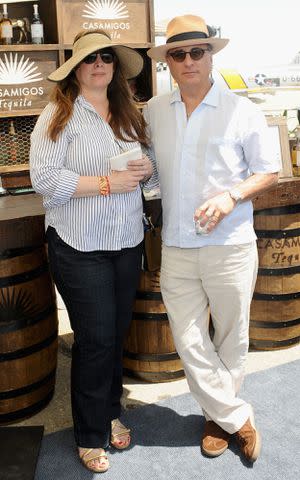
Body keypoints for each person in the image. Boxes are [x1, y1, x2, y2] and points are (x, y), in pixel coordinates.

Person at [144, 15, 279, 463]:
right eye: (177, 54)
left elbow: (269, 171)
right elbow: (154, 172)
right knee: (187, 339)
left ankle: (215, 418)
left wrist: (231, 196)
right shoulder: (153, 111)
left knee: (232, 337)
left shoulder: (244, 110)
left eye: (196, 52)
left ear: (210, 55)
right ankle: (237, 416)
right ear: (167, 62)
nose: (187, 61)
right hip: (177, 246)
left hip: (230, 245)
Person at [30, 29, 157, 473]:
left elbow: (150, 170)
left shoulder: (128, 114)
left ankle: (110, 411)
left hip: (126, 241)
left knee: (114, 337)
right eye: (90, 58)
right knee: (95, 340)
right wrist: (105, 183)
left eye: (106, 57)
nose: (99, 63)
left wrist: (144, 170)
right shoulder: (56, 116)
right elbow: (44, 180)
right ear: (76, 69)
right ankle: (88, 432)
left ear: (115, 67)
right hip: (79, 246)